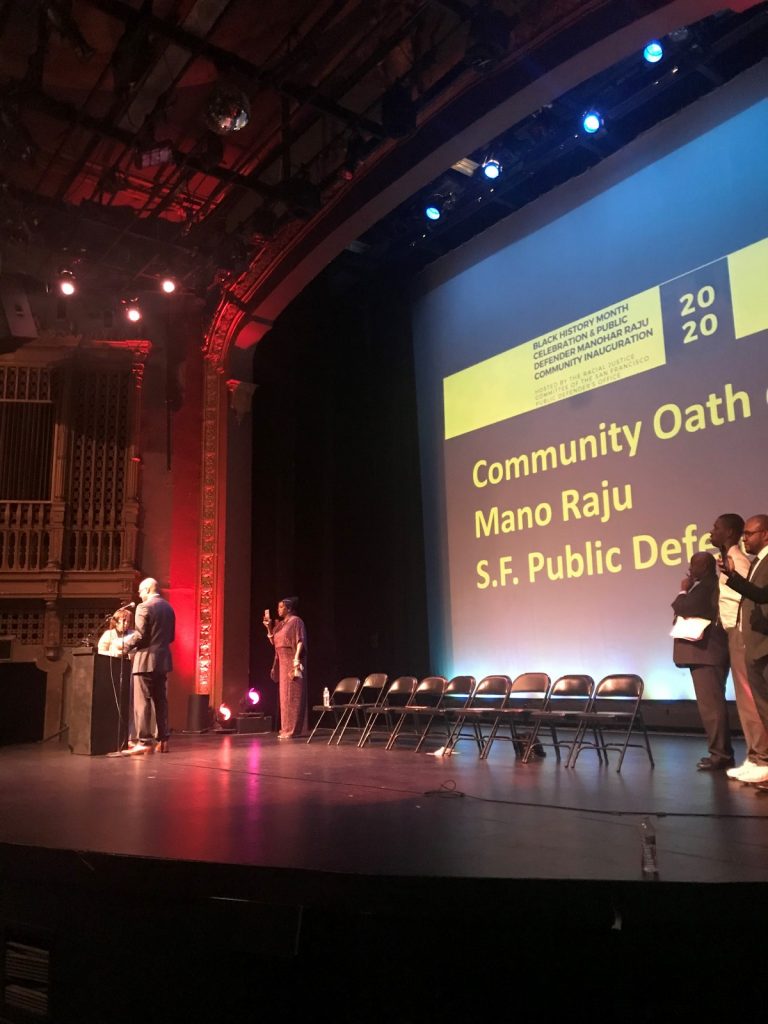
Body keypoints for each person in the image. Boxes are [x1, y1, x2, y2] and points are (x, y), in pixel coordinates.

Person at [710, 514, 767, 772]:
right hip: (738, 633)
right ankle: (756, 756)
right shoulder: (745, 561)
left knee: (751, 699)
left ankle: (760, 757)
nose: (746, 538)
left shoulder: (741, 561)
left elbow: (753, 599)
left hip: (746, 634)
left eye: (716, 528)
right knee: (748, 700)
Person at [671, 552, 732, 770]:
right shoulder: (707, 585)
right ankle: (720, 752)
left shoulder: (707, 586)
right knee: (712, 707)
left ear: (703, 567)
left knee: (712, 708)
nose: (689, 570)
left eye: (693, 565)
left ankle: (720, 755)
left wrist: (683, 589)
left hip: (707, 654)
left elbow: (683, 607)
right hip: (706, 655)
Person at [122, 578, 175, 755]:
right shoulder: (169, 608)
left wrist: (124, 646)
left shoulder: (143, 607)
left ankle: (144, 741)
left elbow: (140, 636)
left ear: (147, 589)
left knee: (141, 701)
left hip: (145, 660)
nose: (139, 594)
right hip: (162, 660)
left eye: (140, 591)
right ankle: (164, 741)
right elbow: (171, 637)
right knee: (161, 701)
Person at [263, 597, 307, 739]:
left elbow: (300, 640)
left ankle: (293, 729)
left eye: (281, 607)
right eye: (278, 607)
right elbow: (274, 641)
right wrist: (269, 627)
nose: (278, 610)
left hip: (291, 659)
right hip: (282, 661)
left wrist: (296, 658)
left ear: (288, 608)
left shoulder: (296, 621)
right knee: (284, 697)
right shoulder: (281, 624)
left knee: (293, 695)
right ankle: (285, 728)